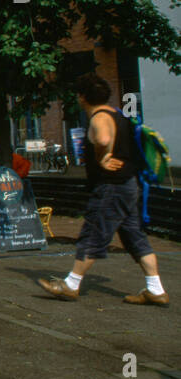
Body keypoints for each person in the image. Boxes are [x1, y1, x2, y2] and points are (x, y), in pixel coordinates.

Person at [39, 74, 168, 304]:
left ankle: (71, 284)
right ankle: (155, 289)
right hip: (128, 185)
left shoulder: (99, 118)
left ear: (82, 97)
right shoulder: (118, 115)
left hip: (112, 187)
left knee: (94, 232)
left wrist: (102, 157)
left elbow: (103, 138)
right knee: (133, 236)